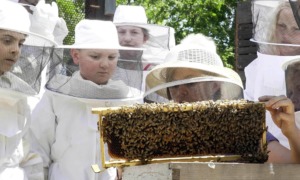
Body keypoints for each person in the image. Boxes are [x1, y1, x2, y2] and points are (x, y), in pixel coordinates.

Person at [145, 33, 299, 163]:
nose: (181, 92)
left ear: (214, 85)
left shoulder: (241, 128)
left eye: (191, 83)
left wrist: (291, 131)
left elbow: (293, 168)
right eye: (174, 85)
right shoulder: (159, 134)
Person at [29, 19, 143, 180]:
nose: (105, 64)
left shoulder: (129, 99)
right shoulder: (55, 97)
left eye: (112, 57)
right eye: (95, 56)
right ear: (76, 55)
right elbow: (37, 149)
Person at [0, 1, 56, 179]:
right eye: (7, 41)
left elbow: (28, 155)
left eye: (21, 43)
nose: (16, 50)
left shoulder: (18, 95)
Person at [245, 0, 300, 149]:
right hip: (267, 160)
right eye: (282, 26)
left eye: (296, 29)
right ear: (273, 27)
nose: (287, 35)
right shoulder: (254, 69)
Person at [112, 5, 175, 91]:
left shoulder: (154, 72)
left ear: (145, 38)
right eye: (122, 32)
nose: (127, 38)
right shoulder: (105, 68)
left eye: (134, 32)